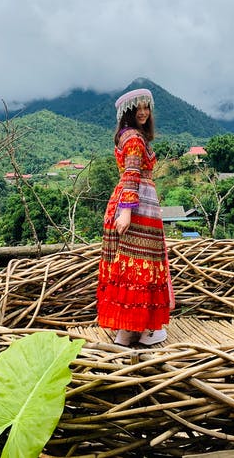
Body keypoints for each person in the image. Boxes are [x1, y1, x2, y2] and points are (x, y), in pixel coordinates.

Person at [96, 88, 173, 346]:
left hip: (137, 205)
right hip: (136, 208)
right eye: (137, 108)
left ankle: (133, 328)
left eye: (146, 107)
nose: (142, 112)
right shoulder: (134, 139)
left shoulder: (129, 136)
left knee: (130, 265)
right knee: (138, 265)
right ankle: (133, 330)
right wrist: (127, 212)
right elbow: (131, 174)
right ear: (127, 113)